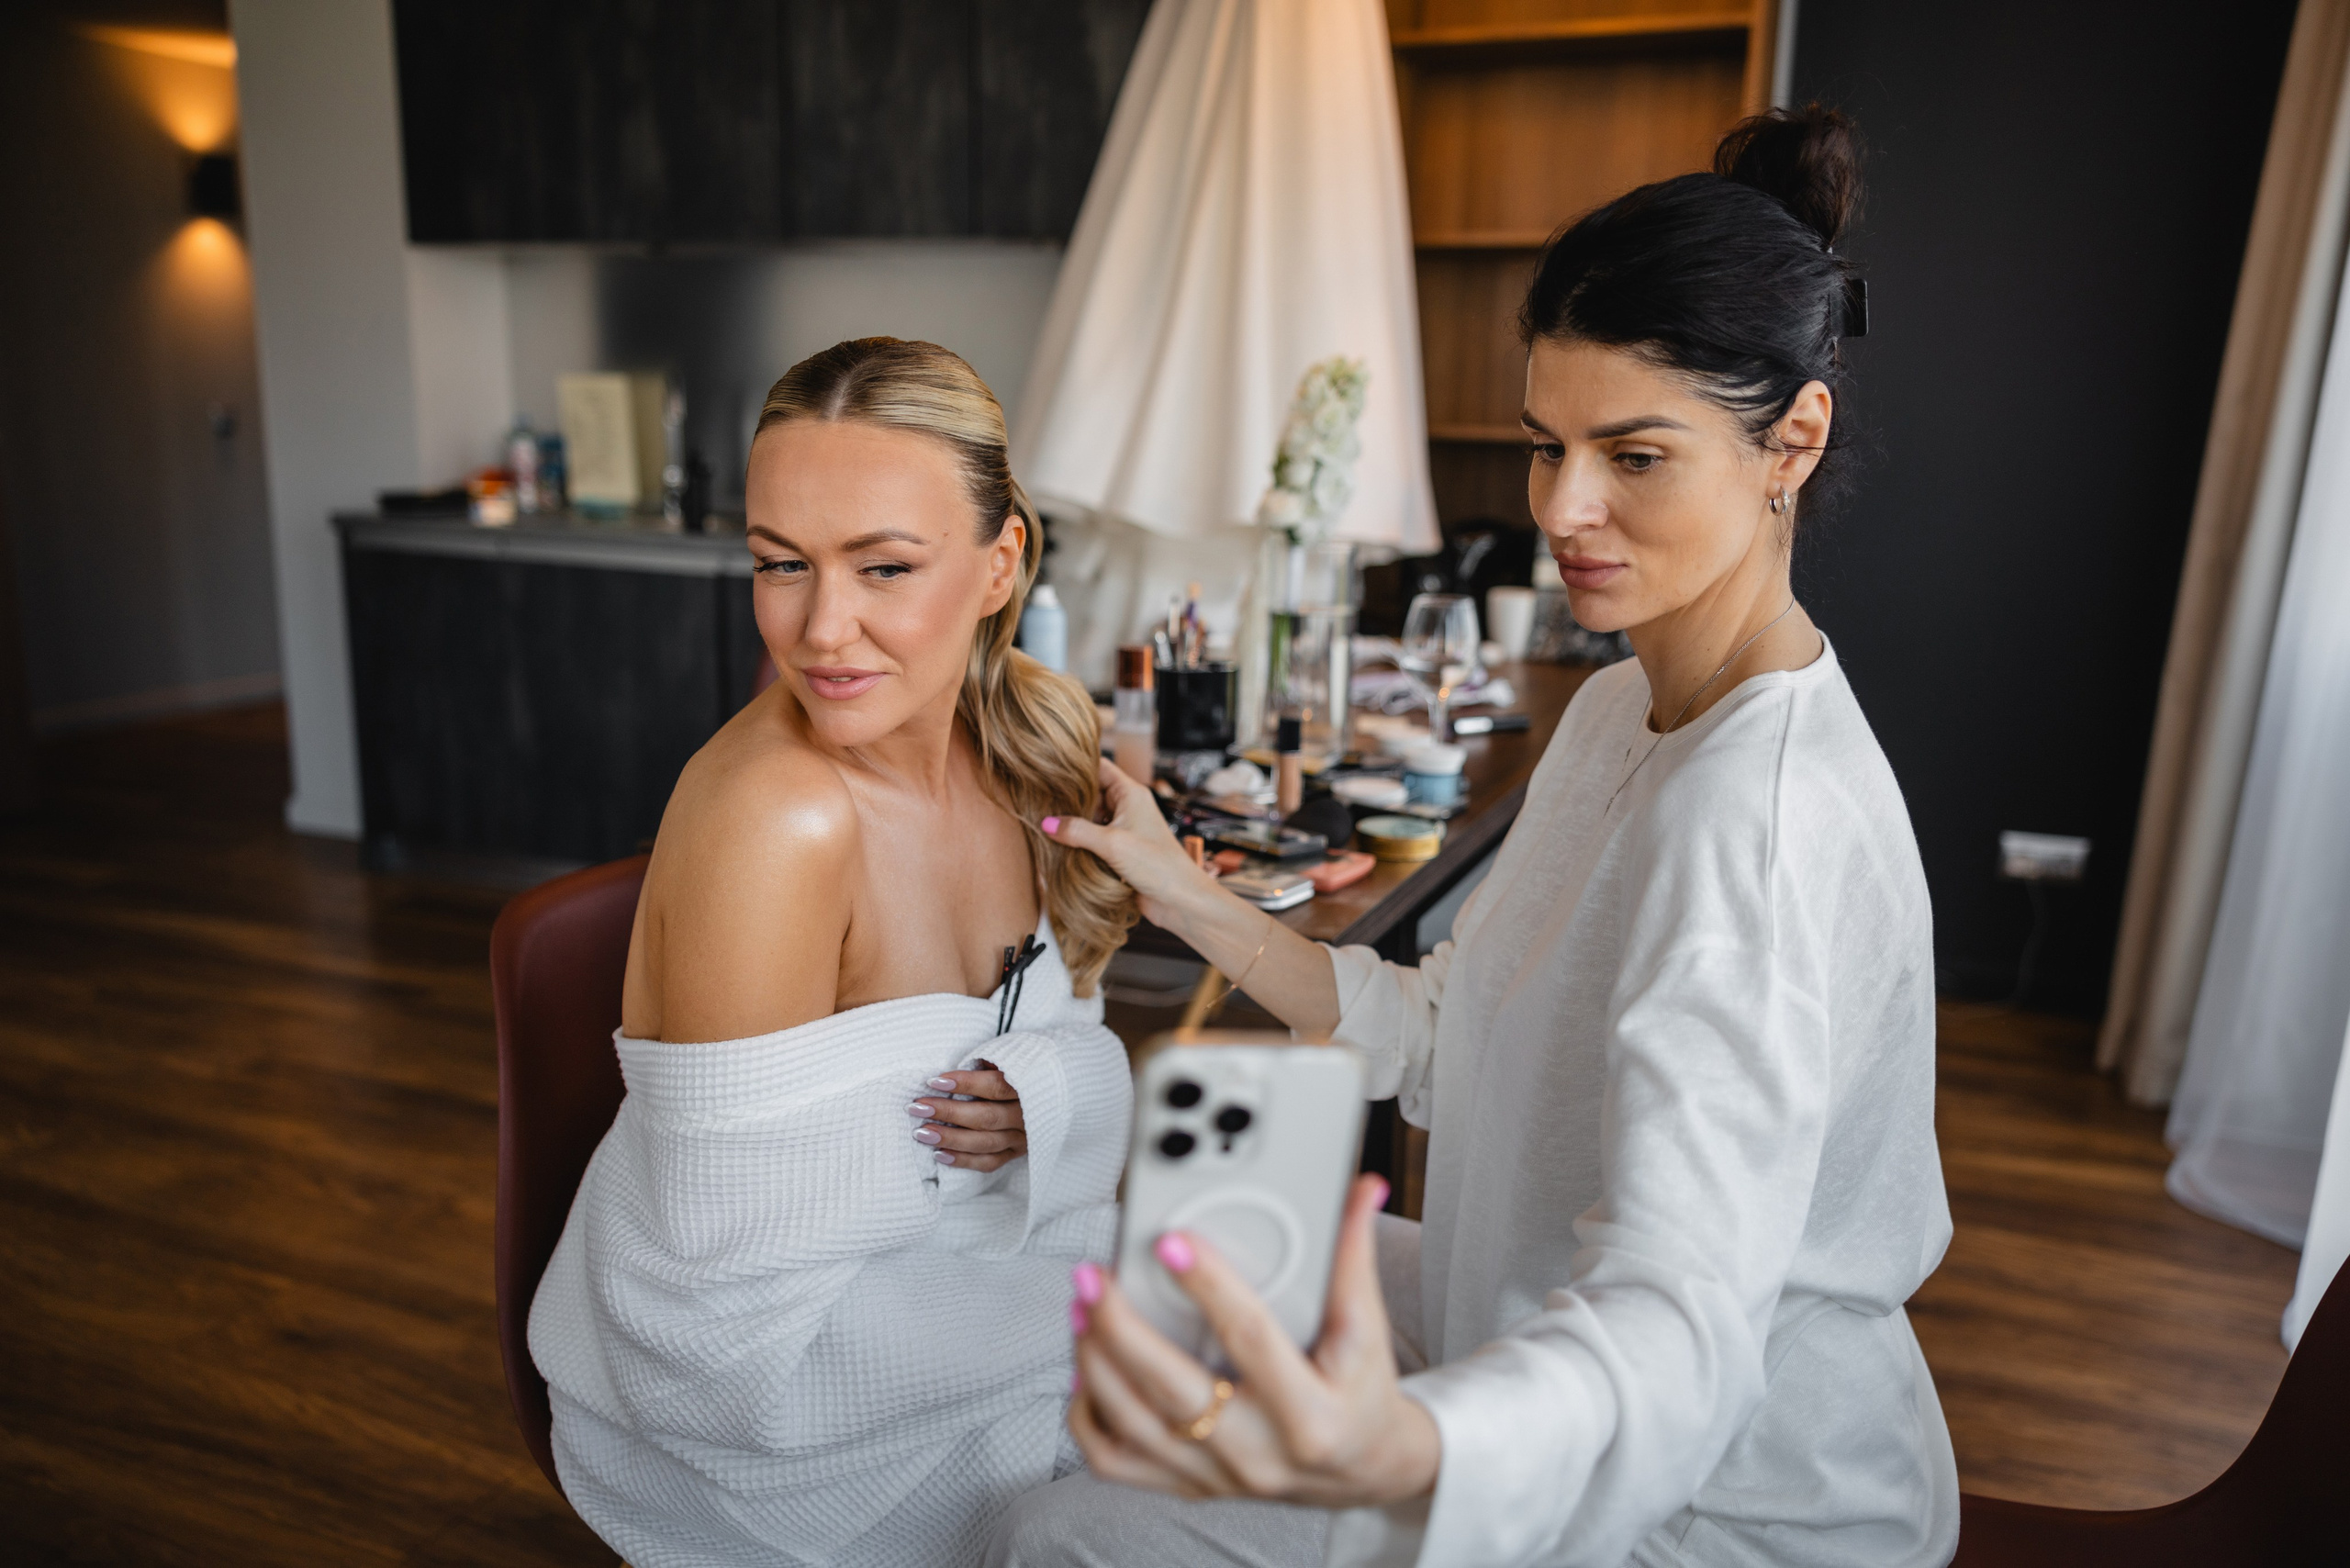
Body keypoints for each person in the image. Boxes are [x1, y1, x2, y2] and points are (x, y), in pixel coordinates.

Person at [995, 106, 1960, 1568]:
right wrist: (1178, 892)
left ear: (1794, 440)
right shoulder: (1620, 708)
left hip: (1714, 1503)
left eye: (1635, 455)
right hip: (1520, 1313)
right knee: (1164, 1262)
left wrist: (1415, 1450)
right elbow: (1451, 1033)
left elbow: (1679, 1322)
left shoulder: (1754, 828)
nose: (1564, 509)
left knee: (1052, 1537)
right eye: (1546, 446)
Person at [529, 337, 1138, 1568]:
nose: (821, 631)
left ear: (1000, 564)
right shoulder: (778, 823)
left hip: (963, 1287)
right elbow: (725, 1343)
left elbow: (1062, 1040)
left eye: (885, 567)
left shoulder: (1024, 752)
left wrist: (1056, 1094)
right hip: (774, 1431)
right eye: (780, 564)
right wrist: (1108, 1328)